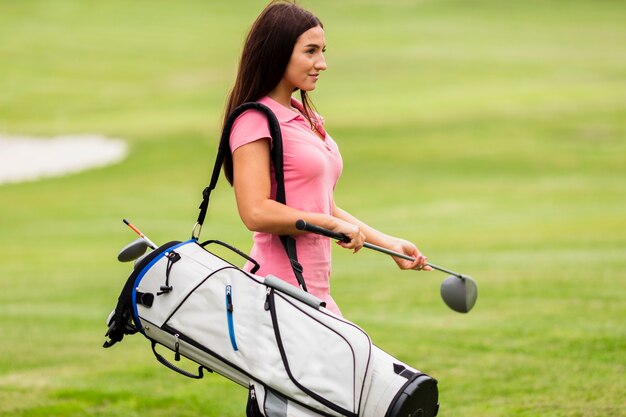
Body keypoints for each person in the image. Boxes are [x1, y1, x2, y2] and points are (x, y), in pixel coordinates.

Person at [223, 0, 430, 316]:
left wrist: (389, 244)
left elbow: (321, 205)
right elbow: (255, 212)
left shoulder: (302, 116)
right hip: (275, 292)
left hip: (309, 292)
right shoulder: (255, 121)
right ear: (278, 52)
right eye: (310, 51)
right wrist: (328, 223)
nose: (322, 63)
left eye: (322, 51)